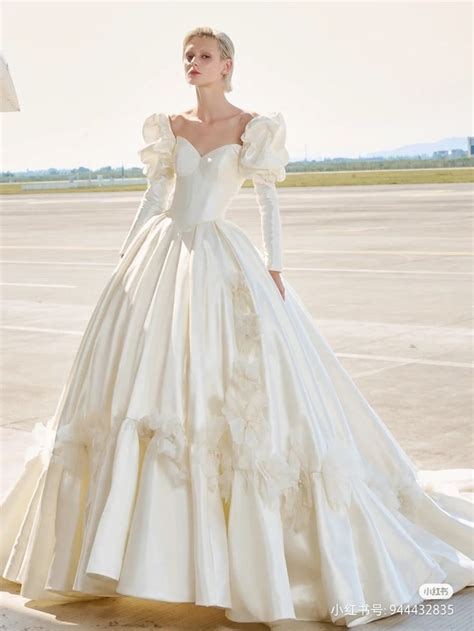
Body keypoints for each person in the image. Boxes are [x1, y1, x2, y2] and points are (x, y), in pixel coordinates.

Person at [1, 26, 473, 629]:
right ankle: (129, 554)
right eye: (187, 57)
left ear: (227, 65)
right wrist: (124, 262)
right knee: (147, 389)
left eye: (204, 56)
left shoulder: (252, 127)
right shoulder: (168, 127)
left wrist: (274, 268)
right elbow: (154, 199)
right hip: (162, 255)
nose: (193, 64)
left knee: (230, 394)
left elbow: (269, 201)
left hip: (222, 259)